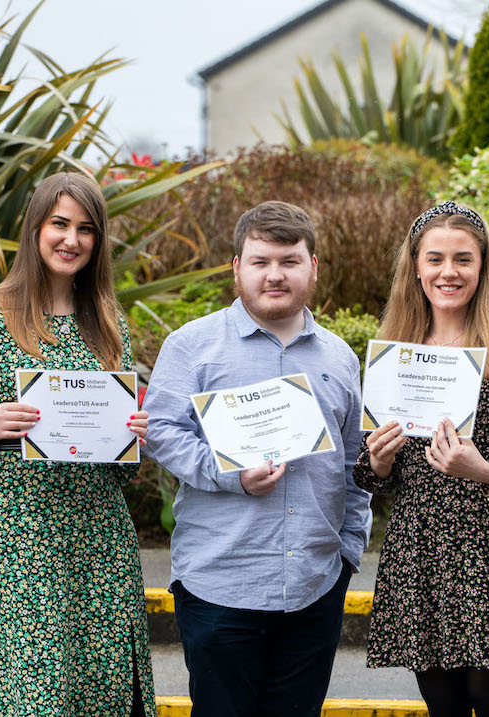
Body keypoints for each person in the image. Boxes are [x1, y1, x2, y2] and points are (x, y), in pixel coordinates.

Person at [0, 172, 155, 716]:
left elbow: (118, 462)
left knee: (101, 686)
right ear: (35, 229)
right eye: (60, 224)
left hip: (97, 535)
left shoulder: (107, 322)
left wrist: (130, 433)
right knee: (30, 692)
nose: (72, 240)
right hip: (11, 536)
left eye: (87, 229)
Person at [142, 200, 371, 717]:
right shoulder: (191, 347)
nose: (274, 275)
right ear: (236, 268)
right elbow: (161, 433)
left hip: (316, 584)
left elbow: (355, 464)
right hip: (221, 581)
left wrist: (348, 552)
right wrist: (231, 476)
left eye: (289, 261)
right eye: (260, 261)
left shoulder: (340, 357)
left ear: (313, 267)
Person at [354, 201, 489, 717]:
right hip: (419, 542)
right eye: (436, 259)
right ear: (415, 266)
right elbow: (368, 472)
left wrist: (482, 470)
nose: (449, 272)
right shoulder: (394, 350)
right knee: (441, 706)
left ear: (484, 266)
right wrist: (377, 463)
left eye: (463, 259)